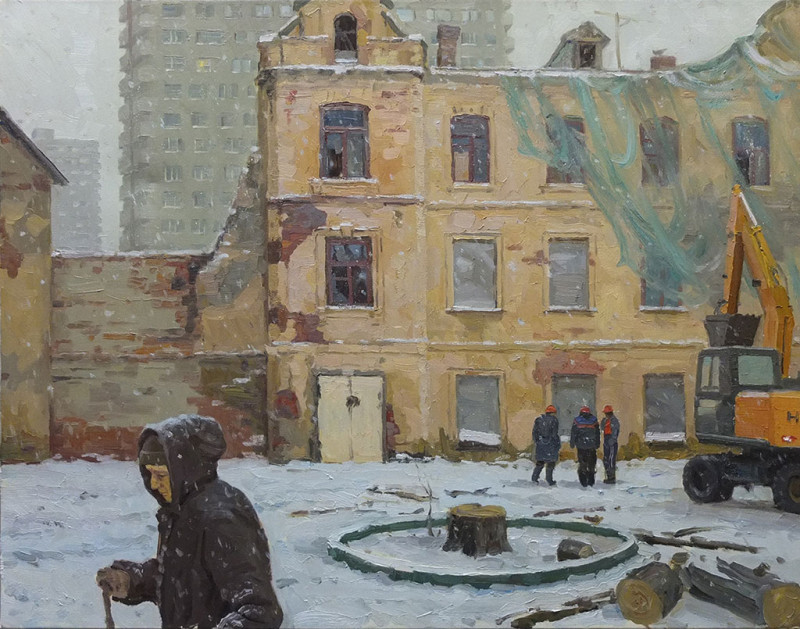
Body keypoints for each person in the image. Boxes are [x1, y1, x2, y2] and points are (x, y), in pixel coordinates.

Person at [95, 415, 283, 629]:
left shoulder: (221, 519)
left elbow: (260, 611)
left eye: (161, 475)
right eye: (149, 474)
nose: (154, 484)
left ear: (185, 469)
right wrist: (131, 580)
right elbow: (182, 578)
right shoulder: (183, 510)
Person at [570, 405, 600, 487]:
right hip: (591, 445)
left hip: (581, 445)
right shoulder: (594, 420)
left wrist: (572, 443)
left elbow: (573, 433)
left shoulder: (577, 420)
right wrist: (597, 443)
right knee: (591, 463)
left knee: (582, 463)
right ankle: (591, 480)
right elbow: (597, 433)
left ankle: (583, 481)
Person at [531, 404, 560, 486]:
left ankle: (534, 478)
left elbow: (534, 433)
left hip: (541, 444)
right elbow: (554, 434)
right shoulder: (554, 420)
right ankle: (549, 479)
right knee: (551, 463)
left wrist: (538, 441)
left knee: (540, 462)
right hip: (551, 444)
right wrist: (557, 443)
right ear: (553, 413)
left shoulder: (539, 420)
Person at [601, 404, 620, 484]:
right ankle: (608, 475)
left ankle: (612, 477)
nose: (606, 415)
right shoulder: (605, 421)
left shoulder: (614, 421)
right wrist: (603, 422)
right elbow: (602, 428)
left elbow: (615, 431)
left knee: (611, 459)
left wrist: (612, 440)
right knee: (606, 458)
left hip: (612, 441)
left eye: (607, 413)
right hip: (606, 440)